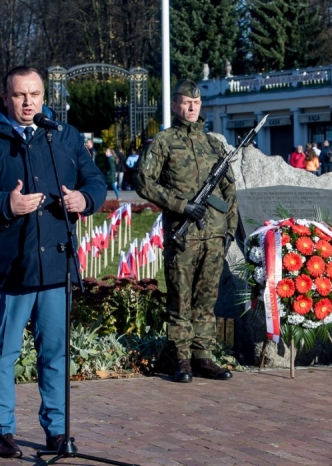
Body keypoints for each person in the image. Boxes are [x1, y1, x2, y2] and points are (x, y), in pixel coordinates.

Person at [0, 66, 107, 458]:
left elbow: (97, 182)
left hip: (55, 265)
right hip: (9, 268)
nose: (28, 102)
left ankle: (56, 430)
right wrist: (6, 203)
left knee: (55, 353)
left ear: (43, 95)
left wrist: (84, 200)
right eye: (20, 95)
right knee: (3, 352)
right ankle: (2, 431)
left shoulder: (63, 136)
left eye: (34, 94)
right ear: (5, 97)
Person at [134, 79, 237, 383]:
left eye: (196, 103)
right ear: (175, 105)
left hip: (214, 234)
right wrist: (181, 206)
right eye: (185, 103)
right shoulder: (164, 142)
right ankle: (180, 358)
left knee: (207, 298)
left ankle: (203, 355)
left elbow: (230, 190)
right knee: (181, 297)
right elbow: (143, 181)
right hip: (184, 233)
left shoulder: (214, 144)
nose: (191, 108)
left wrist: (229, 227)